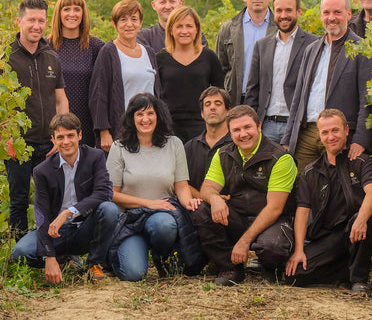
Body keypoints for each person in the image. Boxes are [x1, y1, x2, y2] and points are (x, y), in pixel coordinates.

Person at [192, 105, 297, 286]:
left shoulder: (281, 158)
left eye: (247, 127)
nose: (243, 134)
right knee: (203, 209)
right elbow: (207, 188)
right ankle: (230, 267)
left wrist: (244, 242)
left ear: (259, 126)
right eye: (236, 130)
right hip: (238, 217)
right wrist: (216, 199)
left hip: (272, 221)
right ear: (230, 132)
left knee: (272, 248)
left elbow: (275, 208)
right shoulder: (223, 153)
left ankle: (269, 267)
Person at [107, 93, 205, 281]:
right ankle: (124, 255)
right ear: (131, 118)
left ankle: (162, 255)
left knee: (164, 226)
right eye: (139, 114)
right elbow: (112, 194)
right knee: (134, 274)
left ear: (158, 116)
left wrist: (190, 202)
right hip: (130, 219)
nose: (145, 119)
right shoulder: (119, 147)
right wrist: (149, 203)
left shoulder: (174, 144)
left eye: (150, 113)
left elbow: (182, 186)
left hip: (162, 216)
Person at [11, 113, 118, 283]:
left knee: (109, 209)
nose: (66, 141)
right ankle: (62, 260)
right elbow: (42, 215)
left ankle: (94, 264)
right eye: (60, 137)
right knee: (20, 253)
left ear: (80, 135)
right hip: (56, 232)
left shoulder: (95, 157)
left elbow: (104, 192)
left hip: (86, 227)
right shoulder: (42, 171)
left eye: (71, 135)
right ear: (53, 140)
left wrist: (69, 212)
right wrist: (49, 257)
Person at [285, 109, 372, 293]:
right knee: (294, 275)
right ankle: (344, 271)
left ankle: (359, 280)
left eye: (335, 130)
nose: (331, 137)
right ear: (319, 136)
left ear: (346, 130)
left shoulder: (362, 162)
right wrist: (298, 250)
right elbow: (302, 212)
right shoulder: (310, 172)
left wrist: (360, 220)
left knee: (364, 220)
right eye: (325, 132)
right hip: (330, 236)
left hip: (358, 230)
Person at [281, 0, 372, 174]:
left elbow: (368, 99)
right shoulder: (311, 49)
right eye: (326, 13)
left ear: (348, 14)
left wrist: (360, 140)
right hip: (307, 134)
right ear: (321, 16)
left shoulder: (363, 50)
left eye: (337, 12)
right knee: (303, 189)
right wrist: (287, 139)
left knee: (337, 192)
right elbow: (298, 98)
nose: (331, 18)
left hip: (340, 137)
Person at [7, 0, 69, 238]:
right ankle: (19, 252)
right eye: (31, 20)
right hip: (18, 144)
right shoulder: (6, 57)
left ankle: (54, 247)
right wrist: (7, 138)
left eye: (41, 20)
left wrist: (60, 137)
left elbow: (61, 100)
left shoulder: (51, 57)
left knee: (54, 197)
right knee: (19, 199)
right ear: (19, 21)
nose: (36, 25)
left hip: (49, 145)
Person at [89, 0, 163, 153]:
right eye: (123, 19)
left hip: (149, 130)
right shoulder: (108, 52)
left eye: (134, 19)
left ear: (141, 23)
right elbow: (98, 94)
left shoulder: (149, 52)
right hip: (120, 132)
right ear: (115, 24)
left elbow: (157, 93)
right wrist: (104, 132)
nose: (129, 24)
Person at [245, 0, 318, 143]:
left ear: (299, 11)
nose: (283, 15)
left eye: (288, 10)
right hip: (266, 126)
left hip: (297, 127)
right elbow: (253, 89)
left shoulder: (314, 44)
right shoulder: (262, 46)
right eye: (279, 10)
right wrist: (251, 123)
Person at [157, 6, 224, 144]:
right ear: (170, 29)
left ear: (197, 29)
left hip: (203, 128)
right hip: (168, 128)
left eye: (189, 26)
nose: (184, 31)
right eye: (179, 26)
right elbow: (155, 95)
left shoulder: (209, 57)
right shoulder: (160, 58)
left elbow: (221, 93)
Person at [48, 0, 104, 147]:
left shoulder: (96, 47)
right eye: (66, 9)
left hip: (86, 129)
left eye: (77, 9)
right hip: (54, 132)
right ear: (58, 13)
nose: (72, 14)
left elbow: (103, 89)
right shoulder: (46, 47)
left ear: (83, 13)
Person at [215, 0, 276, 106]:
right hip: (236, 101)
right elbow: (220, 70)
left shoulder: (279, 29)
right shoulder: (228, 28)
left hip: (270, 103)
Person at [184, 87, 232, 198]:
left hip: (230, 209)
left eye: (218, 103)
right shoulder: (189, 147)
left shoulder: (237, 145)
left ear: (228, 111)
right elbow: (181, 183)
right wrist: (208, 198)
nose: (212, 107)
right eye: (207, 104)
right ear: (202, 113)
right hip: (195, 210)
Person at [137, 0, 208, 53]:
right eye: (162, 2)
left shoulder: (193, 35)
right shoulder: (144, 37)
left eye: (172, 1)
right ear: (154, 5)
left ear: (180, 3)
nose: (168, 6)